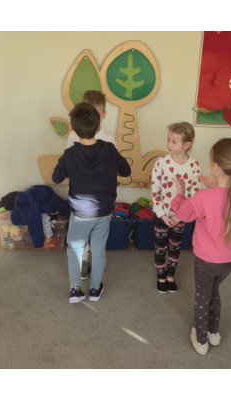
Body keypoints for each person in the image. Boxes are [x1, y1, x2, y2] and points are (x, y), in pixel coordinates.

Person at [171, 138, 231, 355]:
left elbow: (182, 213)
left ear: (215, 167)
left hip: (206, 261)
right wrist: (213, 183)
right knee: (214, 291)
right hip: (229, 261)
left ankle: (201, 341)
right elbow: (223, 195)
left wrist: (180, 192)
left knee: (202, 297)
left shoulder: (203, 197)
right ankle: (213, 333)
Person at [52, 102, 131, 303]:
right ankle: (95, 290)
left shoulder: (70, 154)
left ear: (72, 128)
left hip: (80, 213)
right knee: (98, 250)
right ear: (98, 126)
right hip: (103, 211)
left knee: (75, 249)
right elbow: (126, 171)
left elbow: (56, 177)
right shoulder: (109, 149)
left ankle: (75, 289)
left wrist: (71, 171)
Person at [65, 90, 117, 281]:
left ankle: (96, 262)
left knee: (98, 236)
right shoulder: (73, 136)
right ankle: (83, 259)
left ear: (103, 114)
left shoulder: (109, 140)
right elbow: (67, 162)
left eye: (96, 113)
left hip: (100, 200)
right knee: (79, 234)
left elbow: (115, 166)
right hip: (80, 198)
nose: (91, 118)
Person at [150, 122, 200, 293]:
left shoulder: (194, 166)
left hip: (181, 217)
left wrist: (180, 216)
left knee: (175, 247)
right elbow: (155, 190)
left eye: (174, 141)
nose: (169, 144)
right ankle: (161, 277)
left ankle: (170, 276)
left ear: (187, 145)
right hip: (162, 215)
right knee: (160, 247)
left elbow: (194, 195)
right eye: (168, 140)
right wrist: (163, 215)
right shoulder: (161, 163)